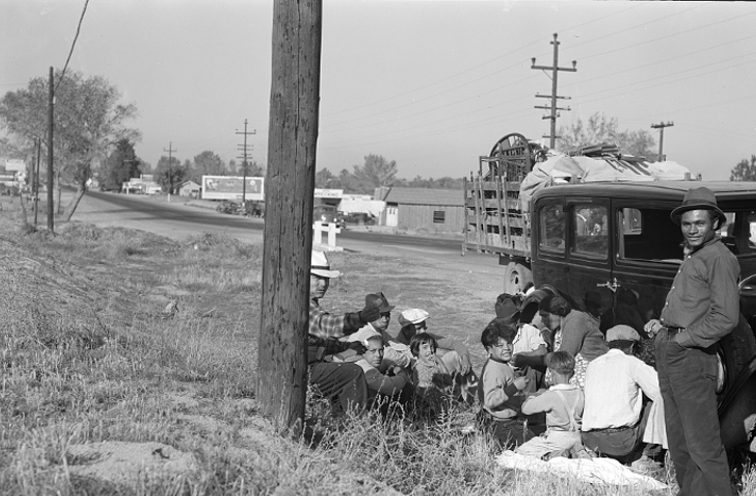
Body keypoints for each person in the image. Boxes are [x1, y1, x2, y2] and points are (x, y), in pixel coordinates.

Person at [647, 187, 740, 496]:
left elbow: (726, 317)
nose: (693, 229)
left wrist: (683, 339)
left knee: (703, 445)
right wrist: (663, 327)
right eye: (687, 224)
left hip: (691, 356)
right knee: (680, 442)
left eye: (699, 223)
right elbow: (693, 306)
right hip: (673, 351)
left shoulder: (719, 258)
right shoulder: (697, 255)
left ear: (715, 222)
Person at [307, 250, 382, 414]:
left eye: (326, 279)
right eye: (317, 278)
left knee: (341, 373)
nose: (323, 284)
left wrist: (346, 346)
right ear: (303, 276)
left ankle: (338, 424)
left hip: (305, 368)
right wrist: (360, 318)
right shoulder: (303, 304)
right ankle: (357, 427)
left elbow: (317, 341)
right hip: (302, 372)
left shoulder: (309, 303)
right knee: (353, 373)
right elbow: (328, 326)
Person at [581, 325, 667, 467]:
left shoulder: (593, 365)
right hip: (620, 442)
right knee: (660, 403)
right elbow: (661, 391)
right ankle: (647, 457)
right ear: (632, 347)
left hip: (590, 440)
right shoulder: (632, 363)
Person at [515, 351, 587, 460]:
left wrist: (534, 395)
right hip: (576, 436)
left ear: (552, 372)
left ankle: (555, 455)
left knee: (522, 451)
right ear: (572, 373)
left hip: (558, 438)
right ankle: (577, 450)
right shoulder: (580, 393)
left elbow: (526, 409)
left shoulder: (551, 395)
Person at [477, 318, 533, 449]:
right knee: (534, 446)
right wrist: (514, 387)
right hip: (501, 425)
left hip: (506, 421)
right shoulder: (494, 370)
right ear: (489, 349)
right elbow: (490, 401)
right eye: (500, 345)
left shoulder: (501, 364)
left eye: (509, 343)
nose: (507, 348)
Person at [538, 293, 608, 388]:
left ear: (559, 312)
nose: (542, 321)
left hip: (589, 379)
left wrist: (528, 359)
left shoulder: (576, 320)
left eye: (545, 316)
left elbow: (563, 358)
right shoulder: (558, 328)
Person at [395, 308, 474, 379]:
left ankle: (473, 390)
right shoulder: (396, 347)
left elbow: (455, 343)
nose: (423, 331)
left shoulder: (425, 338)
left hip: (435, 375)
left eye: (424, 328)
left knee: (456, 355)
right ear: (406, 330)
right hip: (421, 382)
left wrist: (465, 359)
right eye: (419, 328)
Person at [496, 293, 547, 393]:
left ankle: (527, 401)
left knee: (535, 367)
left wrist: (525, 357)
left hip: (526, 379)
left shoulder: (528, 330)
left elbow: (543, 351)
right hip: (507, 379)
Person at [354, 334, 410, 407]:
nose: (378, 355)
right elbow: (390, 387)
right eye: (373, 351)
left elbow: (385, 362)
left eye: (381, 350)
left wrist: (393, 367)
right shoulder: (363, 367)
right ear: (363, 353)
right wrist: (402, 375)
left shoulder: (369, 362)